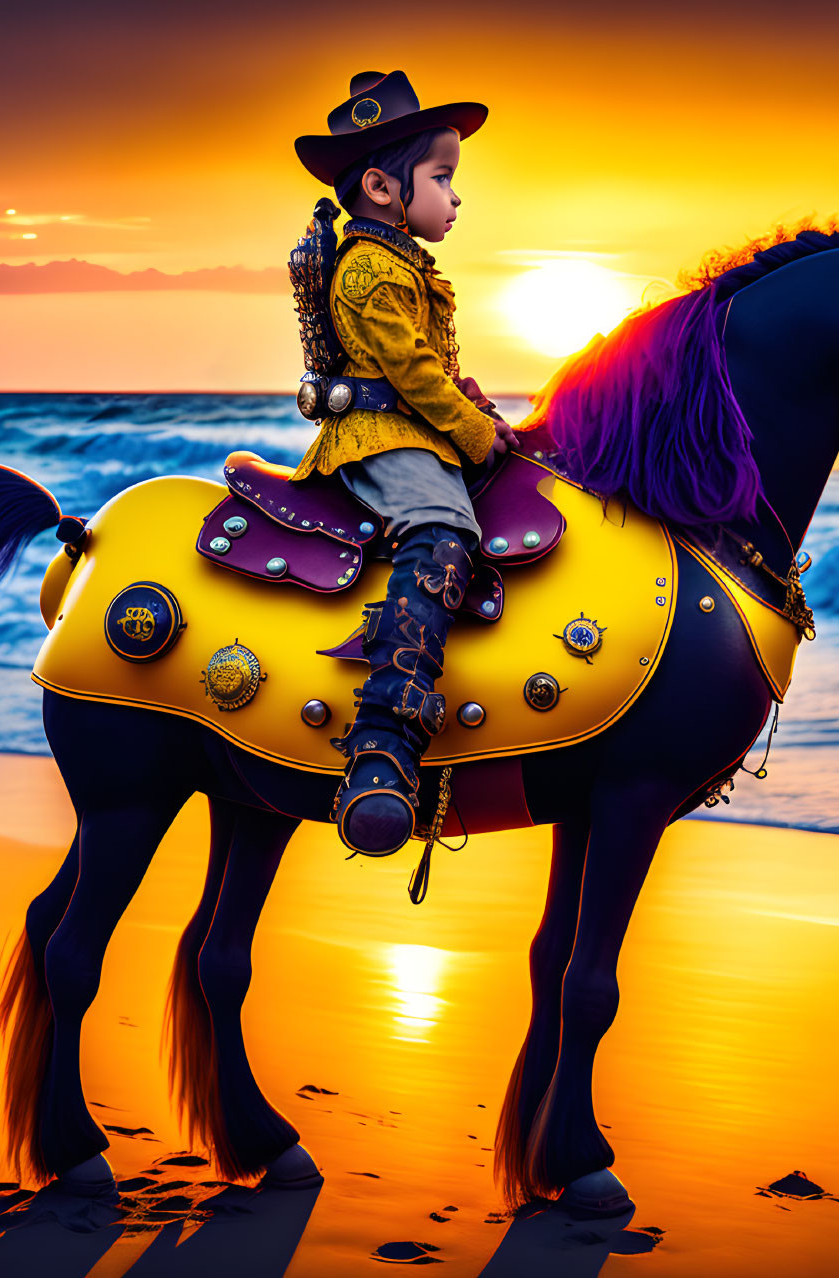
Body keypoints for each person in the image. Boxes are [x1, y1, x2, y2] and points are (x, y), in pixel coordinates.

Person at [293, 70, 518, 856]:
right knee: (440, 537)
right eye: (444, 178)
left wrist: (484, 413)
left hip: (419, 428)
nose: (456, 198)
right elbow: (411, 375)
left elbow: (440, 367)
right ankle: (384, 740)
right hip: (382, 438)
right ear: (385, 186)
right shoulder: (367, 269)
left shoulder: (403, 262)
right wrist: (474, 433)